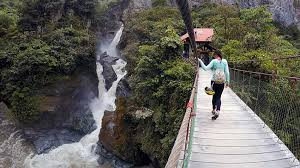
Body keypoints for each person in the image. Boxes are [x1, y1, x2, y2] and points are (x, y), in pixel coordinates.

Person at [198, 50, 230, 120]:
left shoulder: (214, 61)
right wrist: (227, 81)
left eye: (214, 55)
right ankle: (218, 110)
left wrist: (200, 61)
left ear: (216, 55)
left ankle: (213, 109)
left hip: (214, 82)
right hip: (222, 82)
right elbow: (227, 72)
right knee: (218, 97)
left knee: (214, 96)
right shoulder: (225, 61)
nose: (213, 56)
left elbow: (205, 68)